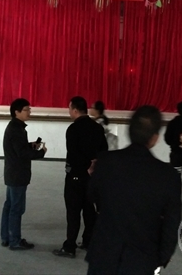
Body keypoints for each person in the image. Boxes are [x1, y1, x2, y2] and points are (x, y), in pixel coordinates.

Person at [86, 105, 182, 275]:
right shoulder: (168, 176)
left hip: (103, 256)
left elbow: (92, 197)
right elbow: (171, 225)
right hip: (141, 261)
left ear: (129, 131)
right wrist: (160, 259)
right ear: (155, 138)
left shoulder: (106, 162)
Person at [53, 96, 108, 258]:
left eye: (70, 109)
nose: (69, 112)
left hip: (76, 177)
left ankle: (70, 246)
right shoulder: (97, 128)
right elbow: (104, 150)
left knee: (73, 213)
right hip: (92, 178)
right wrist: (94, 165)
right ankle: (88, 242)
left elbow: (74, 154)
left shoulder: (73, 129)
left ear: (75, 110)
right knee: (89, 211)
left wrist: (85, 166)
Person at [0, 98, 46, 250]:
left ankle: (6, 237)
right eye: (26, 109)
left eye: (29, 109)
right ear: (16, 112)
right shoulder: (16, 130)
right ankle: (15, 240)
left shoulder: (15, 127)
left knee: (9, 205)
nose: (29, 112)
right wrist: (40, 153)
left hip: (12, 173)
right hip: (18, 174)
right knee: (16, 208)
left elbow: (19, 148)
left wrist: (30, 145)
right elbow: (22, 153)